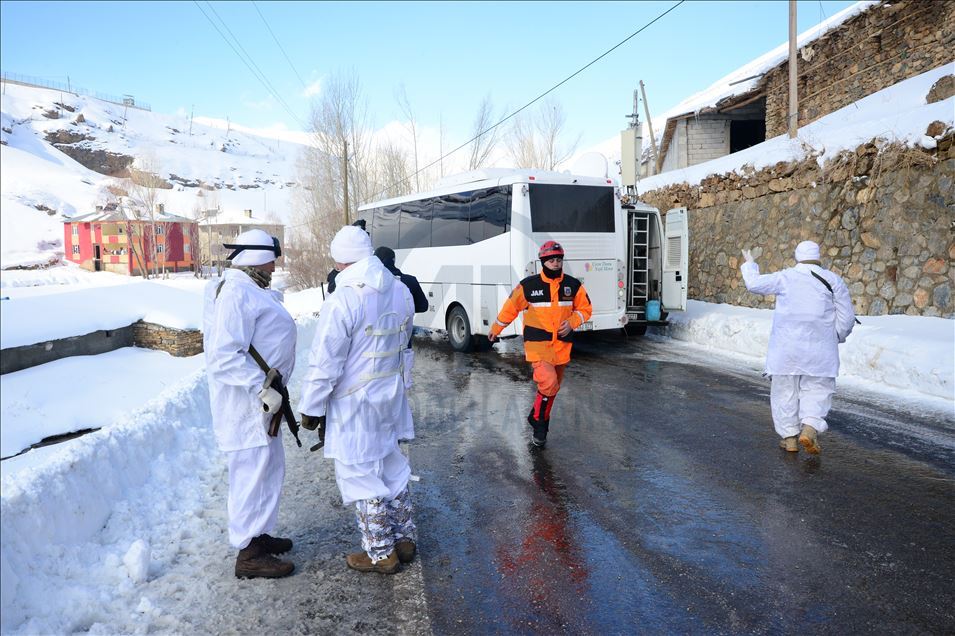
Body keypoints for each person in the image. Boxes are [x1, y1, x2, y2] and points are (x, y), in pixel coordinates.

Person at [298, 225, 418, 574]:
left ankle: (381, 553)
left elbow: (325, 360)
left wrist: (311, 406)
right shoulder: (400, 290)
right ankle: (404, 539)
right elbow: (404, 343)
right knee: (391, 464)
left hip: (355, 403)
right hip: (390, 397)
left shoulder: (344, 299)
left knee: (359, 473)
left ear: (342, 262)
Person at [202, 229, 297, 579]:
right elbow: (224, 356)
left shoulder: (248, 288)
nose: (274, 266)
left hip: (261, 404)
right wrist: (262, 388)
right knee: (250, 475)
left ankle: (259, 534)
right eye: (271, 259)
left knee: (268, 470)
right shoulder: (236, 293)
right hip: (247, 406)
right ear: (258, 258)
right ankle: (249, 554)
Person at [740, 240, 857, 455]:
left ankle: (790, 439)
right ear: (817, 256)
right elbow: (847, 318)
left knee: (784, 392)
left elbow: (754, 284)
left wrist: (750, 264)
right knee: (818, 390)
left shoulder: (785, 277)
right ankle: (809, 428)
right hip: (820, 350)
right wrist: (836, 336)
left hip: (786, 349)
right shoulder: (833, 280)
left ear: (797, 257)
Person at [487, 240, 593, 447]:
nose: (555, 262)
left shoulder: (573, 285)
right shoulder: (528, 286)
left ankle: (536, 416)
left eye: (559, 259)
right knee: (549, 382)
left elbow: (586, 309)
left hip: (561, 345)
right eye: (551, 259)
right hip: (538, 345)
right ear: (543, 261)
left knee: (553, 387)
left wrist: (572, 322)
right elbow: (510, 308)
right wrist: (496, 328)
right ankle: (541, 424)